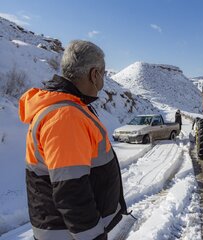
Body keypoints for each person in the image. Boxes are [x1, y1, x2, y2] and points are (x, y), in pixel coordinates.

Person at [19, 40, 128, 240]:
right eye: (103, 74)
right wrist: (93, 237)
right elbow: (71, 190)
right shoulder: (65, 116)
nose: (103, 82)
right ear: (94, 75)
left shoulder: (68, 107)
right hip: (67, 235)